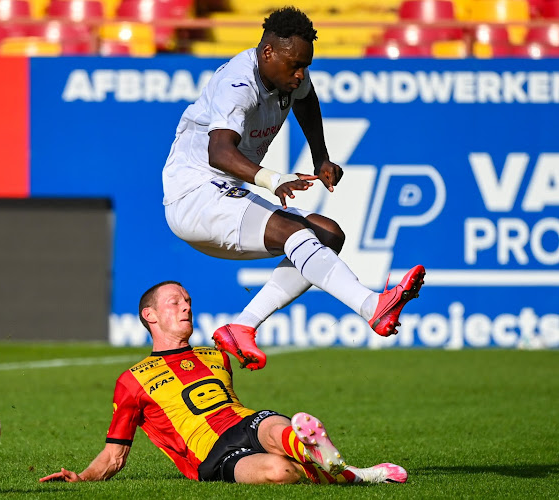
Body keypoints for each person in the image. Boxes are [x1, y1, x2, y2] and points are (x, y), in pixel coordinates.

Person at [161, 6, 425, 370]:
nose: (300, 74)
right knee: (293, 231)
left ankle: (242, 326)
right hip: (195, 196)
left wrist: (321, 157)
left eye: (306, 66)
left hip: (223, 194)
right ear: (268, 52)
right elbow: (219, 152)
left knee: (329, 235)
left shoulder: (290, 75)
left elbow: (307, 100)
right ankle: (371, 306)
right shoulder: (237, 85)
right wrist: (271, 178)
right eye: (294, 65)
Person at [39, 281, 408, 486]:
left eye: (188, 300)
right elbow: (114, 454)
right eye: (174, 303)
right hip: (210, 456)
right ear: (149, 316)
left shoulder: (217, 355)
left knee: (275, 426)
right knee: (282, 472)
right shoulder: (132, 380)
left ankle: (316, 449)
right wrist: (82, 478)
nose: (186, 307)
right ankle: (348, 474)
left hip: (244, 421)